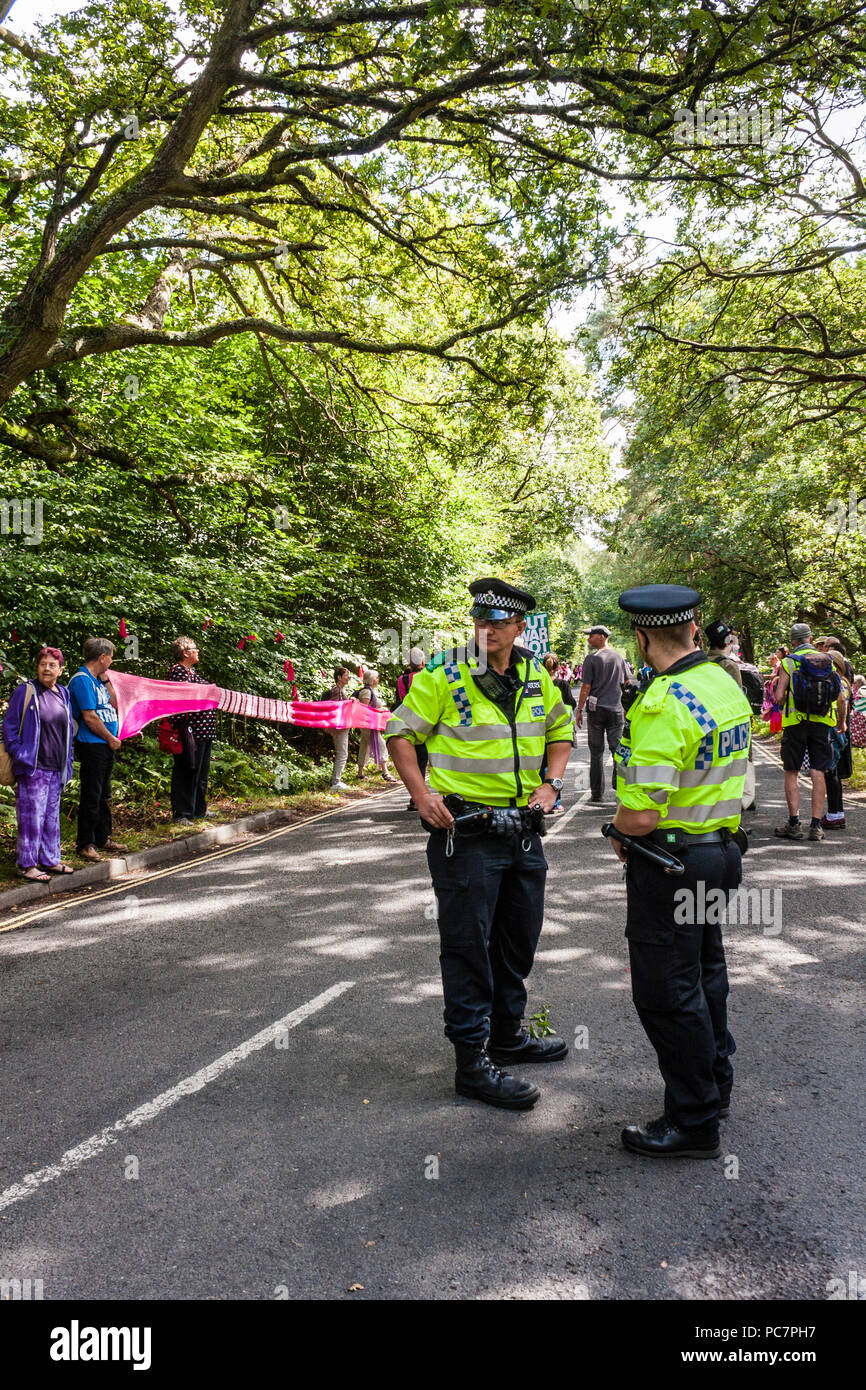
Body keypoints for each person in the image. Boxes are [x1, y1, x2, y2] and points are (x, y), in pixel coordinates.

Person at [385, 577, 573, 1110]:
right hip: (464, 832)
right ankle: (472, 1062)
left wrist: (551, 784)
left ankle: (507, 1036)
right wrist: (420, 795)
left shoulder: (537, 675)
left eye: (498, 622)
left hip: (524, 828)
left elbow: (562, 732)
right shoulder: (445, 672)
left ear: (519, 627)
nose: (486, 629)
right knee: (468, 947)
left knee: (519, 937)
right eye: (480, 620)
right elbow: (400, 733)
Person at [610, 585, 752, 1159]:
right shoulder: (723, 684)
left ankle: (693, 1121)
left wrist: (622, 829)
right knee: (705, 972)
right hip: (718, 851)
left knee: (667, 991)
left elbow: (643, 811)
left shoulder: (665, 700)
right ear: (693, 628)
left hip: (671, 865)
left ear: (642, 638)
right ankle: (714, 1087)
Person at [2, 647, 75, 881]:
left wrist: (69, 761)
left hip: (56, 767)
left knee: (51, 818)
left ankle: (50, 860)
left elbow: (68, 730)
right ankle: (27, 864)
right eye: (43, 664)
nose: (46, 668)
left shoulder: (63, 693)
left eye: (52, 665)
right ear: (37, 667)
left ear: (61, 670)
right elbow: (9, 727)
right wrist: (20, 753)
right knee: (31, 818)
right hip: (33, 766)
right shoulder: (27, 691)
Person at [773, 623, 840, 843]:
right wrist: (842, 721)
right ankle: (816, 825)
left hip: (795, 722)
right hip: (822, 722)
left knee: (792, 771)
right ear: (810, 639)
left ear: (792, 641)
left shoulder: (788, 662)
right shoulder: (826, 660)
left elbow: (779, 696)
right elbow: (839, 696)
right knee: (818, 771)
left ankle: (794, 823)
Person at [68, 637, 128, 862]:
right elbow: (90, 717)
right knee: (92, 795)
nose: (112, 660)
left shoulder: (96, 680)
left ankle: (103, 837)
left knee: (104, 795)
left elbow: (114, 702)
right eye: (110, 656)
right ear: (102, 657)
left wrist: (105, 679)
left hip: (104, 746)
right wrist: (111, 738)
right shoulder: (82, 680)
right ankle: (85, 843)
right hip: (92, 745)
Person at [576, 624, 628, 802]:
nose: (589, 638)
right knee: (618, 751)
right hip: (616, 710)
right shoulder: (619, 658)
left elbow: (586, 687)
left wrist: (579, 709)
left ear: (601, 636)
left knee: (596, 752)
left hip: (596, 712)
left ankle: (597, 793)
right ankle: (620, 786)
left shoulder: (591, 659)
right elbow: (627, 683)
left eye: (591, 635)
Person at [167, 637, 217, 823]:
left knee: (201, 774)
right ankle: (182, 813)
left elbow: (208, 689)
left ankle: (198, 810)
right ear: (185, 653)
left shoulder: (191, 672)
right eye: (194, 649)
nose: (198, 651)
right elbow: (189, 696)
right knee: (187, 771)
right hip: (190, 731)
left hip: (204, 731)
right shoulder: (178, 671)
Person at [395, 647, 429, 810]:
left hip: (408, 721)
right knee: (424, 759)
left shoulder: (402, 680)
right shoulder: (427, 675)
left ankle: (415, 797)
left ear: (409, 663)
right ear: (422, 662)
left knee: (414, 760)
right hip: (427, 720)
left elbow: (400, 701)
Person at [822, 650, 852, 830]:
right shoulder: (845, 682)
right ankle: (837, 813)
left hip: (832, 727)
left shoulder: (837, 681)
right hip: (839, 728)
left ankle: (834, 814)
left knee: (830, 771)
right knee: (834, 773)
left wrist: (840, 722)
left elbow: (841, 702)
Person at [542, 653, 575, 807]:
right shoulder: (562, 684)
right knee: (553, 767)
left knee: (540, 766)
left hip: (539, 729)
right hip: (556, 730)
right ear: (558, 666)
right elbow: (570, 704)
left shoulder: (537, 683)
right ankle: (555, 802)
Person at [357, 670, 397, 782]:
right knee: (381, 744)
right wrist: (380, 710)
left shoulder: (369, 691)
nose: (378, 680)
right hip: (368, 724)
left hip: (369, 724)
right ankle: (385, 772)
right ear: (372, 679)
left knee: (364, 746)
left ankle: (360, 772)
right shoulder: (367, 692)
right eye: (377, 678)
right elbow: (364, 709)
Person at [322, 665, 351, 791]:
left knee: (342, 752)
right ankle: (335, 782)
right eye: (346, 675)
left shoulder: (340, 690)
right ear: (339, 677)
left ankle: (336, 780)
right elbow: (334, 707)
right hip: (339, 727)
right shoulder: (336, 690)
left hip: (341, 726)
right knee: (342, 753)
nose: (348, 678)